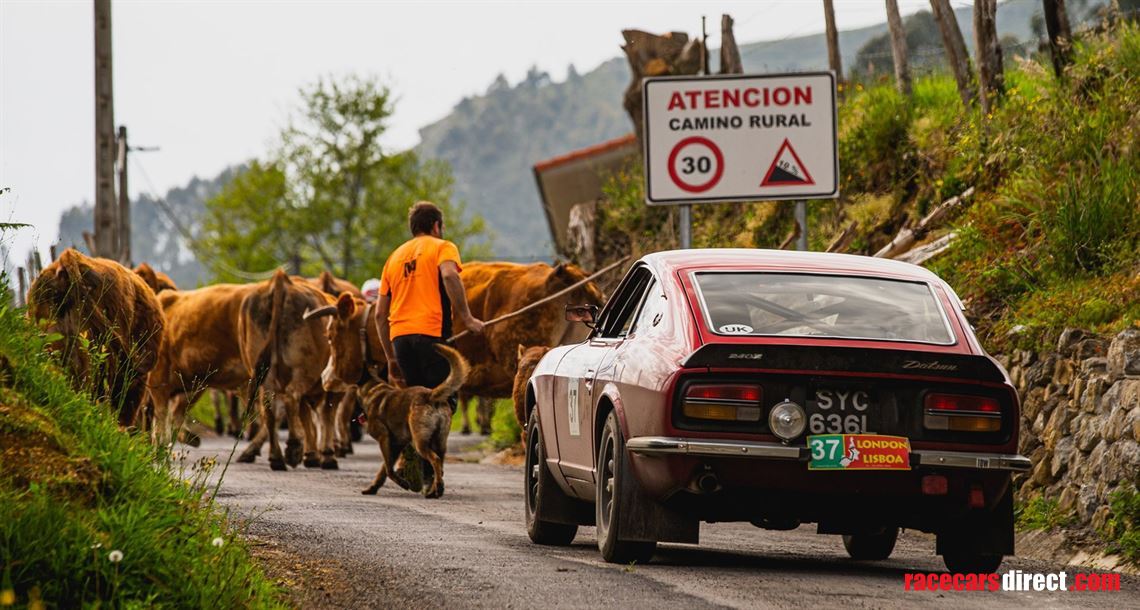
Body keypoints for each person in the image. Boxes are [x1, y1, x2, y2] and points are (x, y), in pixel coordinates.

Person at [376, 201, 484, 399]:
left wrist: (391, 358)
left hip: (401, 341)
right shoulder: (443, 247)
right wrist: (468, 319)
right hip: (432, 334)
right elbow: (450, 276)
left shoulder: (393, 257)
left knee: (419, 405)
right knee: (443, 401)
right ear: (436, 226)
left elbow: (380, 314)